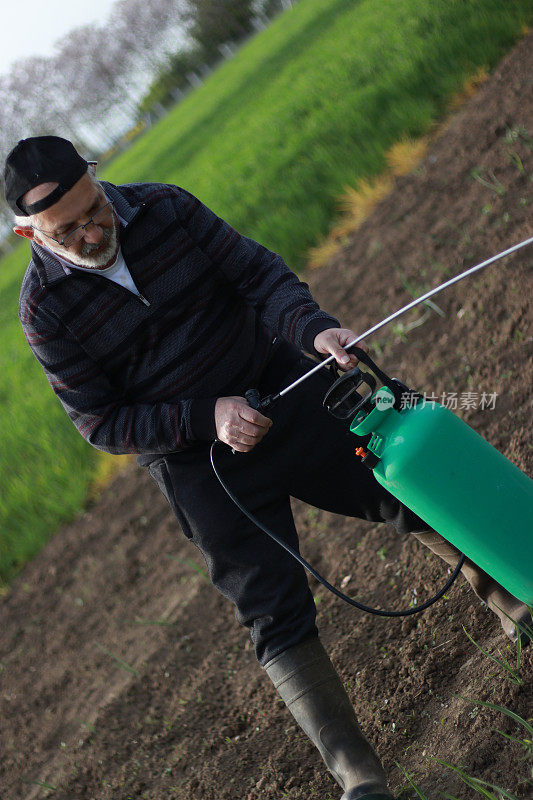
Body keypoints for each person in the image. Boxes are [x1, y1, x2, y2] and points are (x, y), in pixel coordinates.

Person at [5, 135, 530, 800]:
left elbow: (259, 278)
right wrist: (206, 416)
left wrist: (313, 330)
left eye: (93, 209)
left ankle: (517, 601)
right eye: (67, 229)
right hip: (199, 462)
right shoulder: (45, 310)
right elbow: (101, 422)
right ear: (29, 231)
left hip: (279, 385)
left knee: (403, 488)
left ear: (96, 180)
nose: (89, 231)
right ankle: (359, 779)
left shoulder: (165, 209)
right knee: (272, 613)